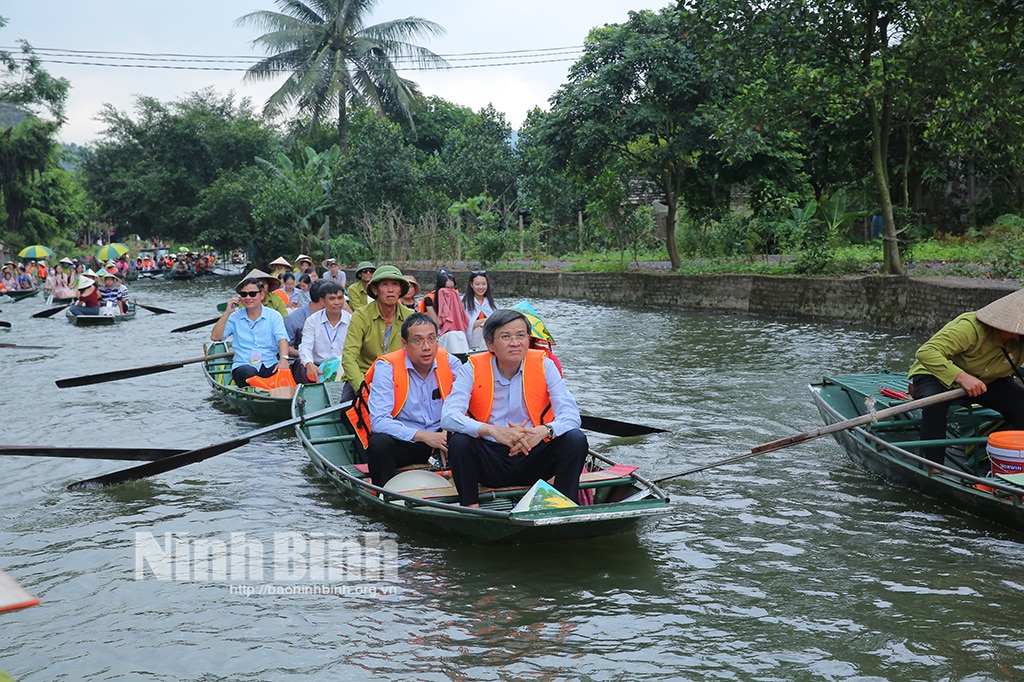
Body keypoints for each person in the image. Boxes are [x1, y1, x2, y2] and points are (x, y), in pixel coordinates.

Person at [440, 309, 589, 507]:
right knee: (459, 441)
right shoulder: (472, 368)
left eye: (521, 335)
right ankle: (471, 506)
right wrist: (492, 430)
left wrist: (544, 431)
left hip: (532, 453)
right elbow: (448, 417)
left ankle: (563, 506)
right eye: (505, 336)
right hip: (490, 459)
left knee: (575, 439)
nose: (515, 342)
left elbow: (571, 415)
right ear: (489, 343)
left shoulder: (545, 365)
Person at [908, 288, 1024, 465]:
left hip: (987, 379)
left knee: (1020, 402)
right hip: (938, 373)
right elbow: (926, 352)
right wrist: (962, 377)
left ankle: (1017, 459)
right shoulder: (970, 327)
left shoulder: (1019, 342)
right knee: (934, 404)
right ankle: (934, 467)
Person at [346, 312, 463, 486]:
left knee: (466, 439)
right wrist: (425, 437)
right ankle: (384, 493)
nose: (427, 347)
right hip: (405, 440)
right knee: (379, 443)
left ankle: (469, 492)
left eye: (432, 339)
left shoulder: (450, 362)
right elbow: (378, 421)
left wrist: (448, 431)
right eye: (418, 340)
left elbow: (463, 403)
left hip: (442, 437)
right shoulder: (386, 368)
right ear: (404, 344)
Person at [341, 265, 413, 401]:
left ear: (400, 290)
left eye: (395, 284)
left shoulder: (410, 317)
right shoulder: (361, 316)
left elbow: (417, 353)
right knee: (347, 413)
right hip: (364, 376)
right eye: (385, 285)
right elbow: (349, 356)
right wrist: (362, 387)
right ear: (375, 290)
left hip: (398, 377)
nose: (390, 290)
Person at [211, 276, 289, 387]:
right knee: (250, 373)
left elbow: (282, 339)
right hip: (243, 365)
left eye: (252, 294)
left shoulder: (274, 316)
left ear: (262, 295)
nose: (248, 298)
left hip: (269, 363)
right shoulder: (234, 317)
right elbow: (215, 337)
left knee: (289, 369)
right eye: (244, 294)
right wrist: (227, 312)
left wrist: (284, 359)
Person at [298, 281, 351, 384]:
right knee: (303, 370)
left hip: (344, 367)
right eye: (332, 299)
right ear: (322, 301)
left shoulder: (351, 320)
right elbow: (305, 347)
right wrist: (309, 364)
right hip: (318, 367)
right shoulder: (312, 321)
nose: (337, 302)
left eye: (340, 298)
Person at [463, 270, 497, 350]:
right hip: (474, 338)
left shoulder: (493, 303)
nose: (481, 287)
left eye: (484, 284)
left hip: (491, 336)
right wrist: (487, 320)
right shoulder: (464, 302)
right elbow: (466, 325)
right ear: (471, 284)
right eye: (477, 284)